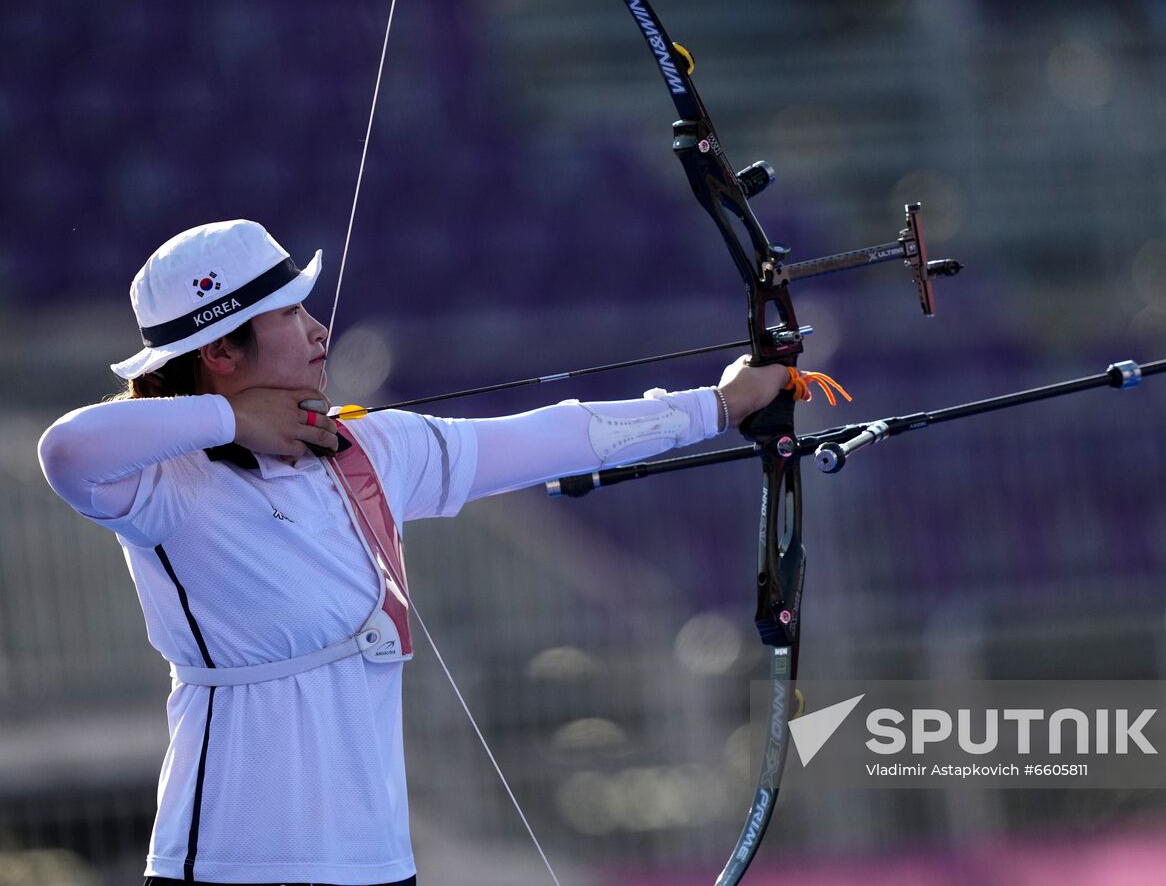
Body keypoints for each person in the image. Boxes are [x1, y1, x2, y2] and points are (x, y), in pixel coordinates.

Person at [37, 219, 790, 886]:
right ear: (223, 350)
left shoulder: (372, 448)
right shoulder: (165, 483)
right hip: (231, 860)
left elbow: (556, 435)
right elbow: (65, 449)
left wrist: (719, 405)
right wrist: (230, 420)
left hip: (375, 862)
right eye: (289, 314)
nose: (317, 330)